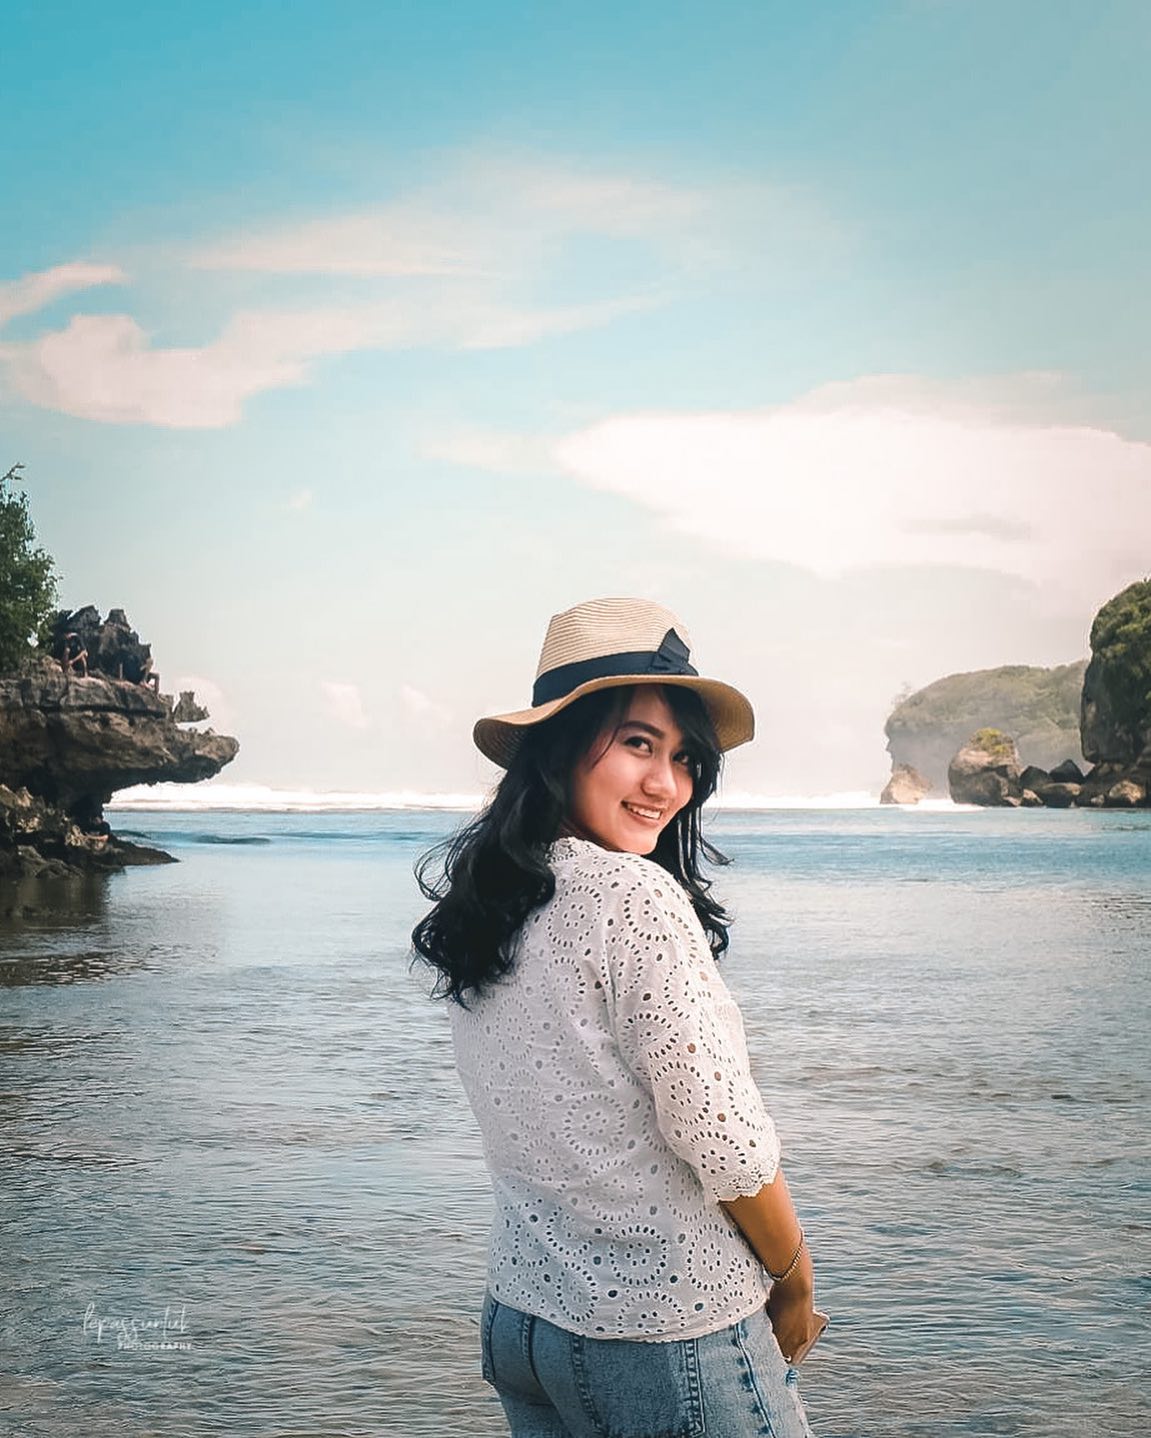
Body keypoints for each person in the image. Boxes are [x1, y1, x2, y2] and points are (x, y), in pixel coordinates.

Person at [412, 597, 828, 1437]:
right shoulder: (631, 896)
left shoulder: (493, 905)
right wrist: (793, 1280)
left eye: (683, 758)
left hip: (522, 1319)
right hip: (664, 1329)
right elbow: (722, 1139)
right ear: (561, 745)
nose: (665, 784)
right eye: (638, 743)